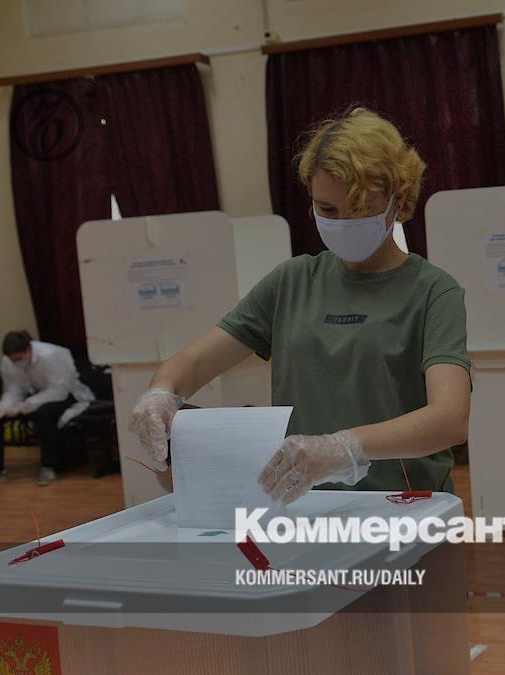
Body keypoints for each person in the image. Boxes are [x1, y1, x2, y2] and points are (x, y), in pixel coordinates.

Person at [129, 107, 471, 504]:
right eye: (327, 209)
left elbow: (450, 418)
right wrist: (161, 394)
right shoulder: (292, 282)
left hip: (404, 505)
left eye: (360, 208)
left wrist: (347, 447)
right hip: (303, 506)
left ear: (399, 200)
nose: (343, 222)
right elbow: (194, 361)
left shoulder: (432, 291)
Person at [0, 330, 95, 486]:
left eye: (19, 359)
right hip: (34, 395)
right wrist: (3, 407)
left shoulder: (50, 356)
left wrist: (25, 406)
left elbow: (59, 391)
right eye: (12, 360)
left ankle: (47, 466)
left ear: (29, 349)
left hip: (67, 394)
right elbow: (14, 389)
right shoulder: (8, 361)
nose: (16, 363)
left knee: (43, 414)